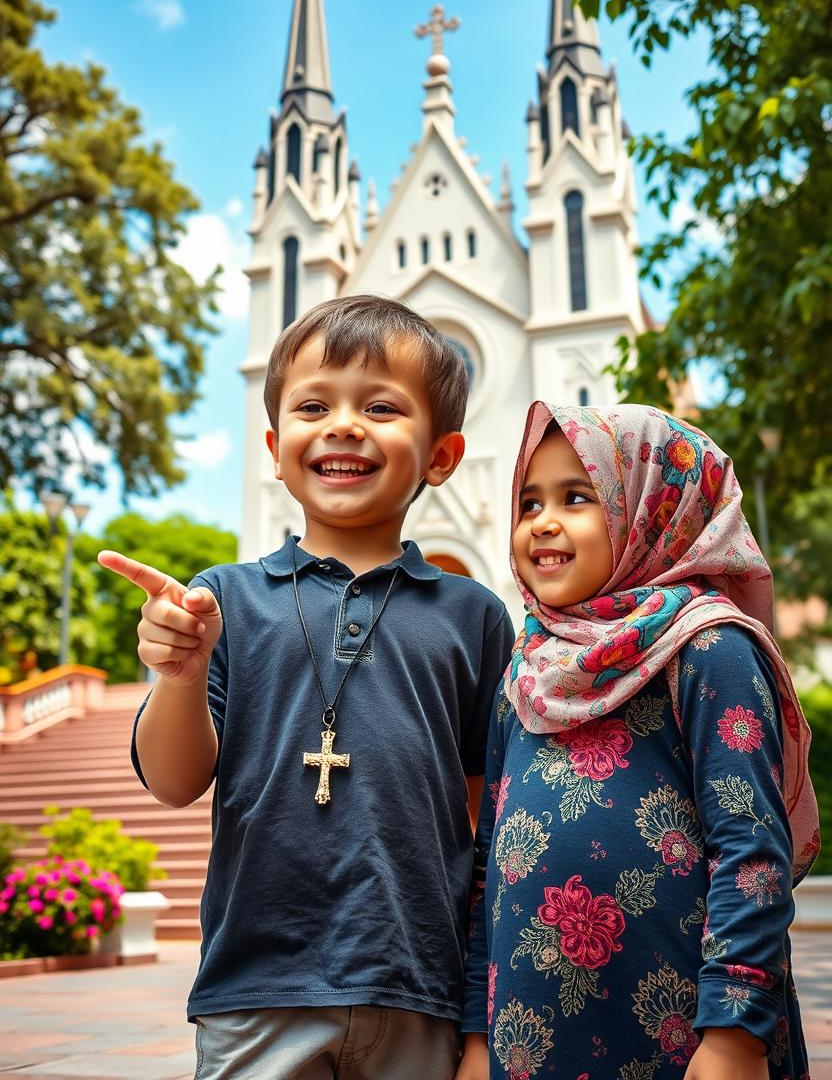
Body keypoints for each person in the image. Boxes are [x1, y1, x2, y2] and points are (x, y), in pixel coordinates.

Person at [98, 295, 515, 1080]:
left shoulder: (474, 617)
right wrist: (179, 674)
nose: (344, 424)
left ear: (442, 455)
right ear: (275, 447)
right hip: (257, 986)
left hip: (418, 986)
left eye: (382, 406)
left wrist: (481, 1016)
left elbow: (488, 817)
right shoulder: (223, 600)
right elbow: (172, 781)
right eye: (314, 405)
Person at [458, 402, 818, 1080]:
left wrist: (734, 1034)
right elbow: (488, 873)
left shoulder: (709, 648)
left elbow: (750, 851)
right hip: (527, 1044)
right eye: (528, 504)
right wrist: (477, 1038)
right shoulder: (527, 675)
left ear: (652, 508)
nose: (543, 522)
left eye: (576, 496)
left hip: (687, 1043)